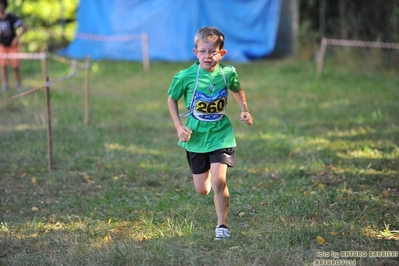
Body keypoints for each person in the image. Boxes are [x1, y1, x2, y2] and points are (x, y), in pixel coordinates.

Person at [167, 27, 253, 240]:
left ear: (221, 53)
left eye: (212, 51)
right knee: (202, 189)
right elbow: (171, 99)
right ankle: (207, 185)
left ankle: (222, 227)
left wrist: (244, 109)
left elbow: (237, 89)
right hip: (195, 136)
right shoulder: (186, 76)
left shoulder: (228, 73)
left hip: (221, 133)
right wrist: (179, 126)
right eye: (203, 51)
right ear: (195, 52)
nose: (207, 56)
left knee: (219, 181)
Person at [0, 0, 27, 92]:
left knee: (15, 66)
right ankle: (5, 85)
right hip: (2, 46)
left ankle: (18, 84)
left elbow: (24, 28)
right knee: (3, 66)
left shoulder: (11, 18)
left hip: (12, 46)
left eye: (1, 4)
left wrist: (16, 39)